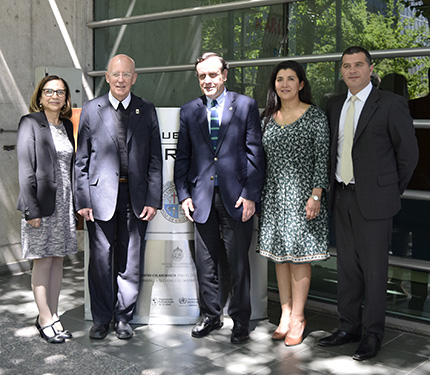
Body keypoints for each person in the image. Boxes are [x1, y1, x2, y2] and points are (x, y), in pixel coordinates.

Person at [318, 46, 419, 360]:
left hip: (375, 201)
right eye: (347, 66)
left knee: (375, 271)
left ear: (371, 68)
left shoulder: (390, 104)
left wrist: (388, 189)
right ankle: (349, 327)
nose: (352, 71)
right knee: (347, 269)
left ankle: (373, 334)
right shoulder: (333, 105)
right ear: (341, 71)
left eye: (358, 65)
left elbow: (409, 155)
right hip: (342, 197)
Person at [174, 52, 265, 344]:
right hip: (201, 200)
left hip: (236, 198)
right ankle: (211, 316)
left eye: (213, 75)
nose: (208, 81)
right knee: (206, 262)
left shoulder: (246, 105)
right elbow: (183, 157)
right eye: (202, 76)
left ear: (224, 75)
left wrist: (250, 195)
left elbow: (255, 154)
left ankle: (240, 320)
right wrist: (184, 195)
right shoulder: (189, 111)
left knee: (238, 262)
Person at [75, 54, 162, 340]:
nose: (121, 79)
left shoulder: (146, 110)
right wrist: (83, 200)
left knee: (131, 261)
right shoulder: (91, 109)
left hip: (135, 198)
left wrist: (153, 198)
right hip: (99, 198)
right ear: (108, 77)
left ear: (134, 78)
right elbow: (81, 161)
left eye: (126, 74)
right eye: (116, 74)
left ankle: (124, 318)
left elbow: (154, 160)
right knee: (101, 260)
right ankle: (101, 318)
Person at [258, 61, 330, 347]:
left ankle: (299, 317)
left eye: (291, 79)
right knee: (280, 257)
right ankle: (285, 314)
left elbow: (322, 158)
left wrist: (316, 195)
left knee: (299, 258)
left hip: (304, 198)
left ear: (301, 84)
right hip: (275, 197)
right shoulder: (267, 118)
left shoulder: (315, 117)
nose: (284, 84)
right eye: (279, 79)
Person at [17, 75, 77, 344]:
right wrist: (32, 211)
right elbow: (25, 168)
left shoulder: (66, 125)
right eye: (49, 91)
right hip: (41, 205)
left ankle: (54, 314)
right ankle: (43, 319)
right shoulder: (30, 123)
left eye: (60, 92)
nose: (55, 96)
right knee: (42, 261)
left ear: (66, 98)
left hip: (64, 205)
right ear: (40, 96)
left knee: (57, 260)